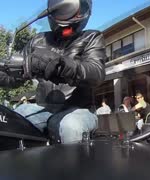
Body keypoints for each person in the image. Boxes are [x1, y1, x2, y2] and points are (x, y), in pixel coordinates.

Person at [0, 0, 106, 144]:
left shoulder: (91, 37)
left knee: (70, 126)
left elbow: (96, 73)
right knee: (12, 120)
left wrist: (61, 65)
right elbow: (13, 77)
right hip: (42, 107)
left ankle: (73, 166)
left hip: (79, 109)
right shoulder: (38, 40)